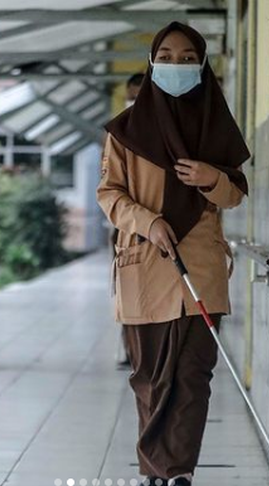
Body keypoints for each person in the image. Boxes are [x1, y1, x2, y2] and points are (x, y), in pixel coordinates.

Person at [97, 22, 250, 486]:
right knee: (150, 378)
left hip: (200, 268)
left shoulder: (216, 127)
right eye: (167, 55)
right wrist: (146, 221)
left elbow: (235, 196)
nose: (178, 65)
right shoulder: (124, 133)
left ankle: (178, 475)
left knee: (192, 376)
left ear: (203, 65)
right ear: (151, 61)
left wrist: (209, 177)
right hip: (145, 264)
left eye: (188, 58)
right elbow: (109, 194)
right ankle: (153, 471)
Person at [114, 72, 144, 370]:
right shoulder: (118, 131)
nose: (134, 101)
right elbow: (109, 187)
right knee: (126, 288)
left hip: (156, 229)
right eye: (131, 95)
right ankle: (127, 347)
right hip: (125, 225)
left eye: (140, 95)